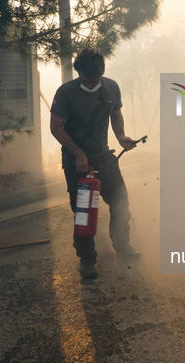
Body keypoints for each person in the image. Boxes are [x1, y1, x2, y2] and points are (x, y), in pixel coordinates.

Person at [50, 48, 140, 279]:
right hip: (76, 160)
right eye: (86, 81)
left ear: (103, 72)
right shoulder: (66, 92)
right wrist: (78, 155)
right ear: (78, 72)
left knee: (120, 203)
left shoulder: (111, 87)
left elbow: (115, 113)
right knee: (84, 212)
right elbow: (56, 127)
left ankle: (123, 247)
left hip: (104, 156)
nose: (91, 85)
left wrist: (121, 137)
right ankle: (87, 261)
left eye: (95, 80)